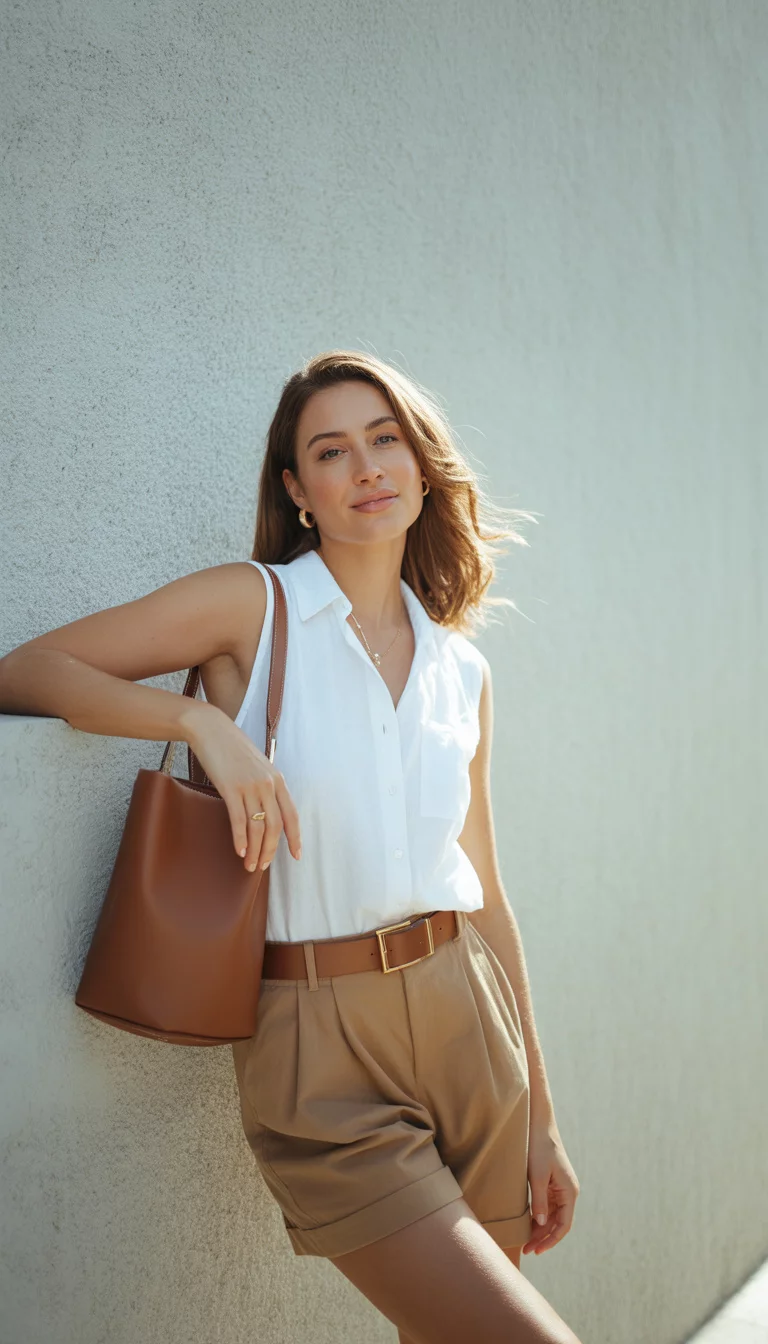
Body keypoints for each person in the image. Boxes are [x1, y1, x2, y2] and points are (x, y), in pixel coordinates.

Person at [0, 350, 582, 1344]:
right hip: (318, 1047)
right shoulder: (251, 607)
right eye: (331, 450)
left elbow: (485, 891)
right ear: (297, 490)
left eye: (385, 439)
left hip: (473, 1028)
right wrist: (198, 728)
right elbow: (27, 670)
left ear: (420, 466)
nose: (365, 466)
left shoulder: (462, 669)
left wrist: (544, 1117)